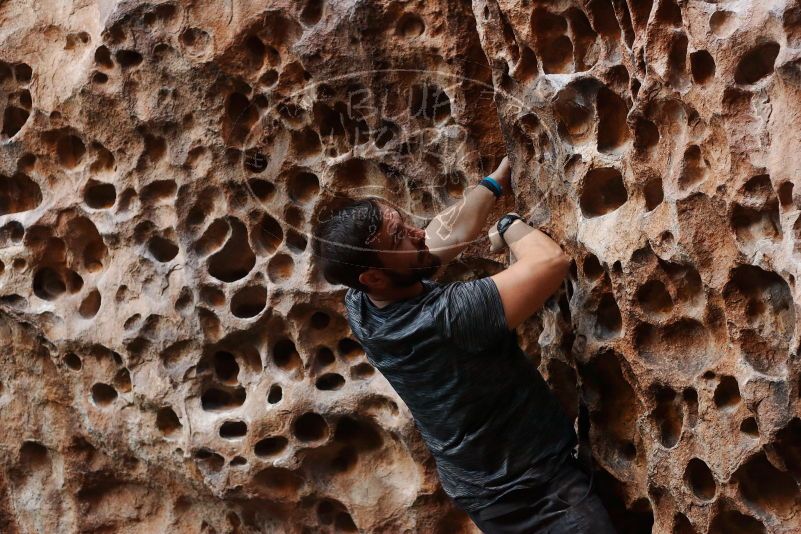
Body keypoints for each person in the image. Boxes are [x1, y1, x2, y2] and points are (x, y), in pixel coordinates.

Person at [311, 156, 616, 533]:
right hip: (536, 492)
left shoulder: (362, 305)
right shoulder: (445, 317)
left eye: (402, 222)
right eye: (399, 236)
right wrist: (509, 226)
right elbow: (549, 263)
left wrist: (492, 185)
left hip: (480, 486)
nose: (417, 231)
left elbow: (443, 236)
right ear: (372, 275)